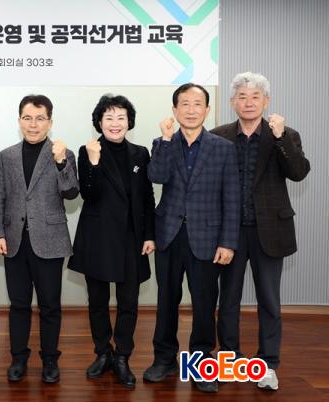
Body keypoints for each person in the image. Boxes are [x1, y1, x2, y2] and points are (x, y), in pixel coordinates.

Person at [211, 72, 310, 391]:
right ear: (232, 102)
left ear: (266, 101)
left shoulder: (285, 134)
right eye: (242, 96)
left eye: (255, 96)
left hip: (270, 230)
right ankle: (229, 359)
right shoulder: (218, 136)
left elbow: (298, 172)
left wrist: (280, 138)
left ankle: (267, 364)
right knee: (228, 299)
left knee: (269, 300)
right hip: (230, 233)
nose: (249, 102)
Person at [142, 83, 240, 393]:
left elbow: (232, 198)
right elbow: (156, 176)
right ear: (174, 110)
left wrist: (228, 242)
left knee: (204, 303)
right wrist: (165, 139)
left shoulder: (223, 148)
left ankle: (201, 364)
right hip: (169, 235)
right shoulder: (163, 143)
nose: (191, 109)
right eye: (184, 103)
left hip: (207, 237)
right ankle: (164, 359)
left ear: (207, 110)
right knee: (166, 300)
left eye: (198, 104)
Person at [68, 94, 155, 388]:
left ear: (129, 122)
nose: (115, 123)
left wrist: (149, 235)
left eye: (120, 118)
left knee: (129, 302)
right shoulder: (88, 150)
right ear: (99, 123)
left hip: (132, 238)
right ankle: (103, 353)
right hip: (99, 238)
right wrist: (93, 163)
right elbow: (88, 195)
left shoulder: (140, 153)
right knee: (98, 302)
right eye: (109, 118)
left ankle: (122, 357)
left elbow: (147, 197)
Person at [0, 95, 78, 384]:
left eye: (40, 118)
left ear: (50, 122)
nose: (33, 124)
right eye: (28, 118)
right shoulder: (6, 156)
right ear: (19, 121)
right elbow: (0, 197)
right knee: (18, 304)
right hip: (14, 240)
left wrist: (60, 162)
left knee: (50, 305)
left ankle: (50, 360)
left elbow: (71, 192)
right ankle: (18, 358)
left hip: (50, 240)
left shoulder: (63, 153)